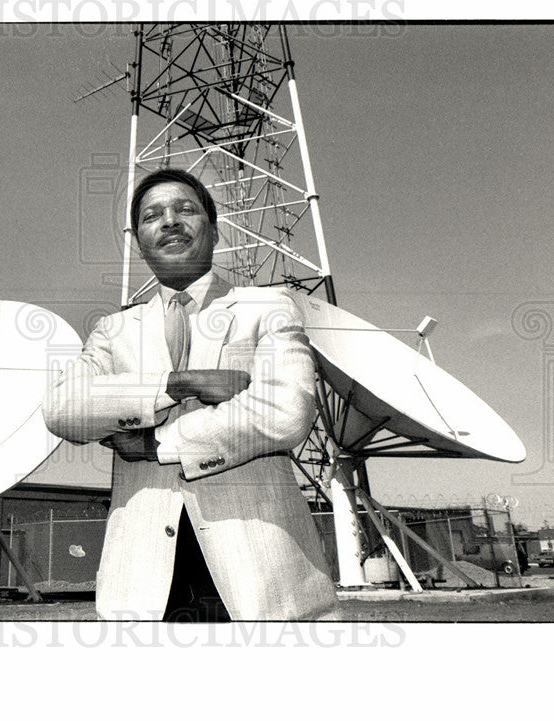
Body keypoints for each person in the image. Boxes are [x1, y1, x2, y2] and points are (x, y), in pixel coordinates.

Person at [42, 168, 338, 621]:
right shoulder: (113, 329)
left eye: (186, 209)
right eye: (152, 216)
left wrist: (158, 444)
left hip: (258, 576)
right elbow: (64, 408)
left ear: (214, 231)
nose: (170, 221)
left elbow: (285, 411)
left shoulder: (267, 307)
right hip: (144, 584)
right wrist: (176, 384)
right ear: (140, 242)